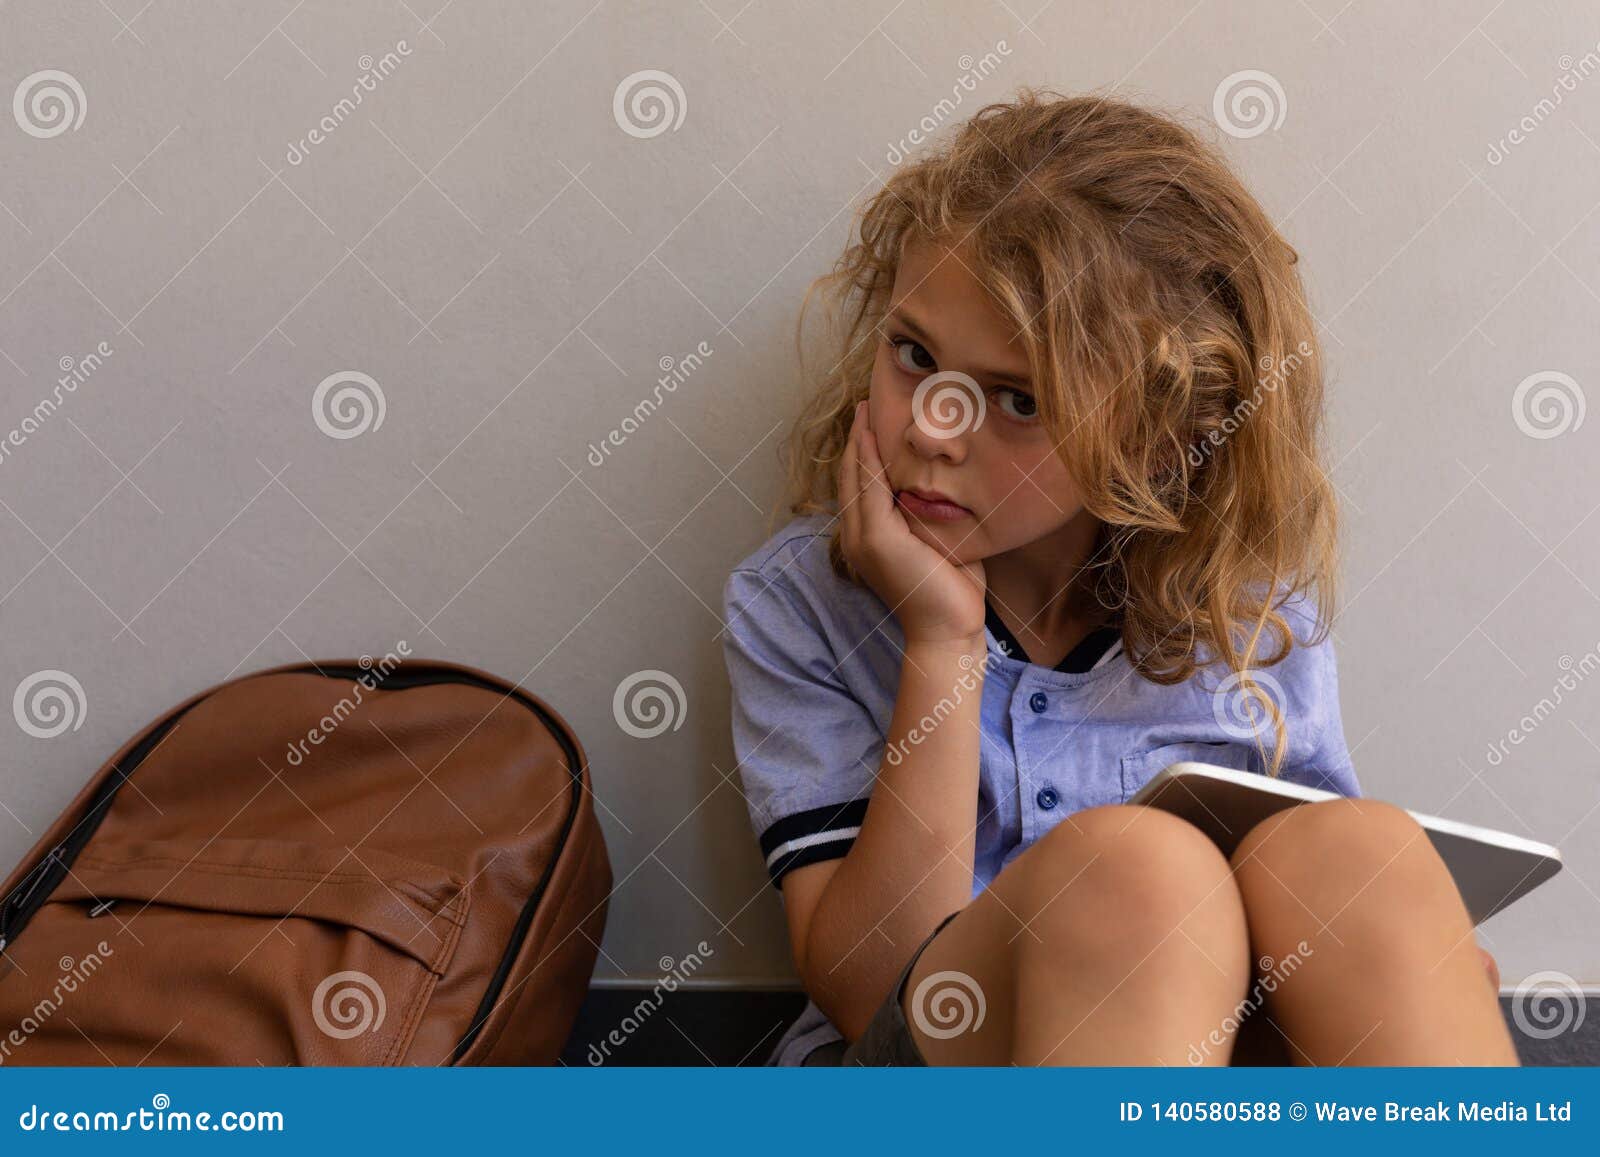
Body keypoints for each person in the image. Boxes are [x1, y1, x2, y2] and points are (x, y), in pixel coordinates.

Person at [719, 88, 1512, 1067]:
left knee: (1362, 860)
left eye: (1017, 399)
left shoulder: (1249, 621)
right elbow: (861, 989)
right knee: (1131, 869)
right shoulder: (798, 603)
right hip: (918, 1075)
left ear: (1157, 437)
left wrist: (1406, 958)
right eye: (914, 354)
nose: (931, 425)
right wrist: (940, 644)